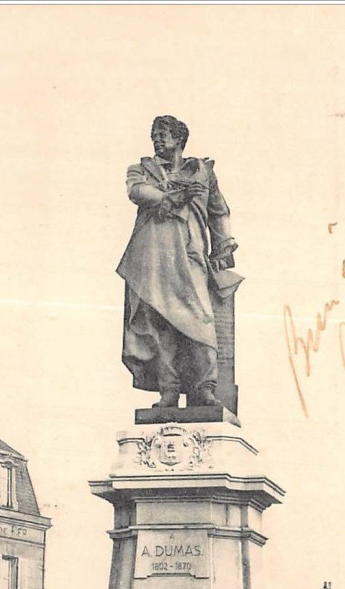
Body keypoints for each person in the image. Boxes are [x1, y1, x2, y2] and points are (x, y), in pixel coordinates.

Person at [117, 115, 240, 409]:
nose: (157, 139)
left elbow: (218, 211)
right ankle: (168, 390)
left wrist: (223, 246)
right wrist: (173, 196)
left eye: (163, 134)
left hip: (190, 253)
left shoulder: (201, 171)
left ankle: (205, 388)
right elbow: (137, 191)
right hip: (152, 257)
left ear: (179, 138)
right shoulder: (141, 170)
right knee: (160, 324)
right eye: (154, 135)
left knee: (200, 319)